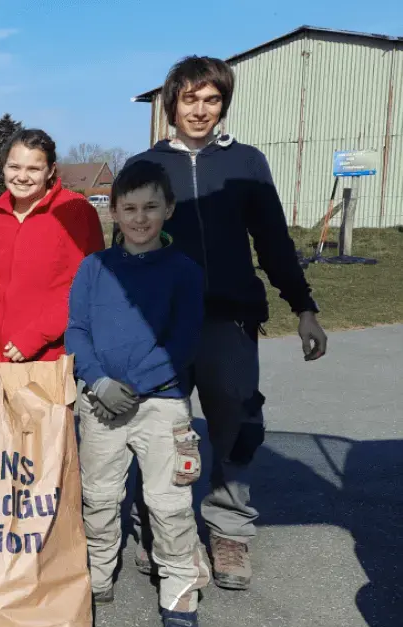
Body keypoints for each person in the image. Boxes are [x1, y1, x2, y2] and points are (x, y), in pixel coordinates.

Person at [124, 57, 327, 590]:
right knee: (160, 432)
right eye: (190, 99)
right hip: (160, 326)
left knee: (236, 426)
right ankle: (159, 527)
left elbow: (274, 241)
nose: (200, 110)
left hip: (229, 317)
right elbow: (125, 244)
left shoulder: (246, 163)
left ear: (223, 105)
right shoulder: (145, 165)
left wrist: (303, 307)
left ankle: (229, 530)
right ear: (172, 103)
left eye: (211, 100)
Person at [67, 161, 210, 627]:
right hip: (100, 402)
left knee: (169, 506)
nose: (140, 218)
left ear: (168, 209)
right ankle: (96, 578)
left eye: (151, 207)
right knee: (100, 499)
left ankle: (179, 599)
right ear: (115, 211)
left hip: (161, 407)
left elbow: (184, 342)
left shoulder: (184, 272)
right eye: (129, 208)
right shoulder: (94, 268)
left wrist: (137, 385)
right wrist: (98, 380)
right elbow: (77, 331)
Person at [0, 129, 104, 363]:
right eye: (14, 167)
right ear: (3, 166)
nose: (22, 177)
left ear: (50, 170)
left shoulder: (76, 212)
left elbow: (87, 286)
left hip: (48, 357)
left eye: (33, 169)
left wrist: (36, 336)